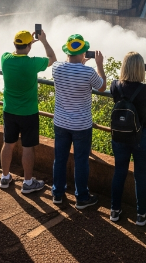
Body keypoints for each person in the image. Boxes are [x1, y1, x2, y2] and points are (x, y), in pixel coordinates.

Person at [51, 34, 106, 209]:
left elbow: (70, 67)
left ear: (67, 51)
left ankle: (57, 194)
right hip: (81, 125)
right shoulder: (88, 72)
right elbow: (102, 86)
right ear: (83, 53)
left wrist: (79, 60)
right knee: (81, 160)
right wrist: (99, 64)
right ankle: (82, 197)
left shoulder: (56, 68)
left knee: (60, 158)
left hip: (60, 122)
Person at [0, 29, 56, 194]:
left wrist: (28, 42)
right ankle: (28, 182)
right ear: (29, 46)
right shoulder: (32, 63)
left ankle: (4, 177)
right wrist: (43, 41)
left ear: (15, 44)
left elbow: (14, 52)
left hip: (9, 110)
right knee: (28, 147)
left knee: (8, 144)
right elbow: (52, 59)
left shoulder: (5, 58)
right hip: (28, 112)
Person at [109, 52, 146, 226]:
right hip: (142, 135)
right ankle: (141, 215)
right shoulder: (145, 89)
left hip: (119, 134)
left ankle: (114, 210)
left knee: (119, 172)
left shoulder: (115, 85)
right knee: (140, 175)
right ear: (141, 68)